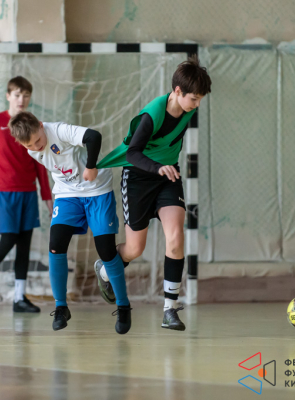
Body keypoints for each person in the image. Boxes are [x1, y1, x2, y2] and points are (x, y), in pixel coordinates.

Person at [94, 55, 212, 331]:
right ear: (177, 91)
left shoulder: (188, 109)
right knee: (135, 249)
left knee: (176, 237)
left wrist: (164, 168)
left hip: (168, 177)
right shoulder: (152, 115)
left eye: (200, 99)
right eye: (194, 99)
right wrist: (157, 167)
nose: (197, 105)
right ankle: (105, 268)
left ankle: (170, 309)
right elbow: (132, 153)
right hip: (137, 178)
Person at [9, 111, 131, 334]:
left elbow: (93, 136)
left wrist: (91, 166)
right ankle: (61, 307)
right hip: (67, 194)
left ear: (41, 125)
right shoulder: (31, 150)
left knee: (106, 250)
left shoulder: (58, 131)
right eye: (30, 145)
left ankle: (123, 306)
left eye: (38, 140)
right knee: (56, 245)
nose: (36, 147)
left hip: (97, 189)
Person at [0, 76, 52, 313]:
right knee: (8, 240)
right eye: (17, 95)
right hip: (5, 191)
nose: (21, 99)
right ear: (8, 96)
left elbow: (40, 161)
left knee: (24, 244)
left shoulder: (34, 124)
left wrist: (47, 196)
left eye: (26, 95)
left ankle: (18, 298)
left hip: (29, 192)